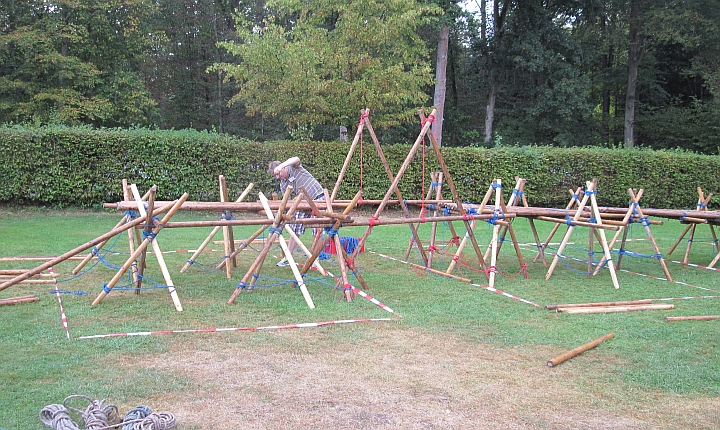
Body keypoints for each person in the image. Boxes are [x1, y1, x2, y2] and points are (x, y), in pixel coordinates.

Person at [267, 157, 324, 266]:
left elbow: (296, 158)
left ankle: (315, 259)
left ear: (283, 168)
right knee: (295, 229)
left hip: (317, 198)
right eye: (275, 176)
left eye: (278, 174)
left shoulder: (293, 168)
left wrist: (281, 165)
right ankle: (288, 257)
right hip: (302, 202)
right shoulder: (283, 184)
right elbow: (287, 202)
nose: (277, 177)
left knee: (317, 229)